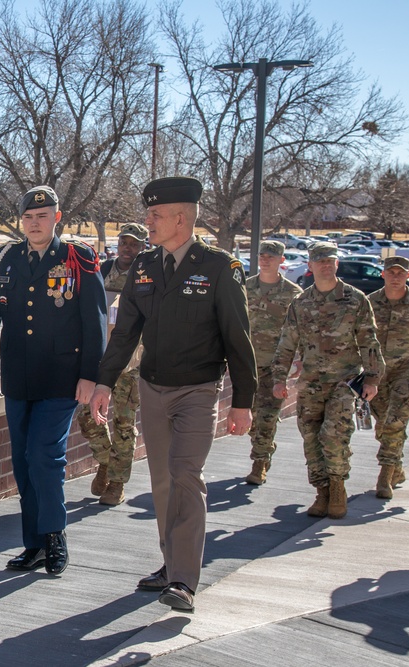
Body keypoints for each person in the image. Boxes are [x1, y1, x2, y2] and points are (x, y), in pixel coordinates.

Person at [89, 176, 256, 612]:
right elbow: (125, 333)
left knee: (185, 475)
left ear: (180, 218)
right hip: (152, 387)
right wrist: (104, 381)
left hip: (198, 389)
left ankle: (183, 579)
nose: (147, 221)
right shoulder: (144, 266)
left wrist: (243, 401)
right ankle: (170, 564)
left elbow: (239, 339)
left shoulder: (220, 268)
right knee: (162, 481)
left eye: (155, 215)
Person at [0, 185, 107, 576]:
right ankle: (33, 544)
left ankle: (54, 536)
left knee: (44, 457)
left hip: (62, 379)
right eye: (28, 218)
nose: (35, 223)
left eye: (43, 216)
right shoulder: (4, 259)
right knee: (22, 461)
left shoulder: (78, 258)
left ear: (57, 217)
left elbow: (94, 321)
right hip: (18, 376)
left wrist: (90, 375)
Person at [272, 241, 384, 520]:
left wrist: (371, 378)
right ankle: (321, 491)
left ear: (336, 264)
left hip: (343, 382)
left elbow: (369, 340)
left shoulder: (355, 299)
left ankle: (337, 488)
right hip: (310, 383)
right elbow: (287, 343)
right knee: (311, 438)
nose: (325, 265)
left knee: (333, 436)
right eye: (320, 261)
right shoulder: (300, 303)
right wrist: (278, 378)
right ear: (309, 266)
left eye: (330, 260)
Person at [75, 222, 149, 506]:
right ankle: (106, 461)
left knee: (123, 424)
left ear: (143, 246)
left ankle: (117, 483)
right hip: (99, 359)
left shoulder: (147, 275)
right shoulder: (103, 271)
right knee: (87, 417)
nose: (129, 248)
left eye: (135, 244)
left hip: (132, 363)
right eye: (125, 242)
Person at [243, 240, 302, 485]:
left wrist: (298, 358)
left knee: (267, 415)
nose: (266, 259)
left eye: (271, 256)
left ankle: (259, 463)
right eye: (262, 255)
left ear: (281, 260)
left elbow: (300, 330)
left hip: (276, 366)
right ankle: (264, 448)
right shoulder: (244, 288)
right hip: (246, 364)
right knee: (253, 418)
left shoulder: (293, 294)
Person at [366, 255, 409, 498]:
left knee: (395, 421)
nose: (396, 276)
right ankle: (396, 467)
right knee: (382, 426)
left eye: (401, 272)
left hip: (407, 371)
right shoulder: (369, 303)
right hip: (378, 373)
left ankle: (385, 476)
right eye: (391, 272)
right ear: (383, 274)